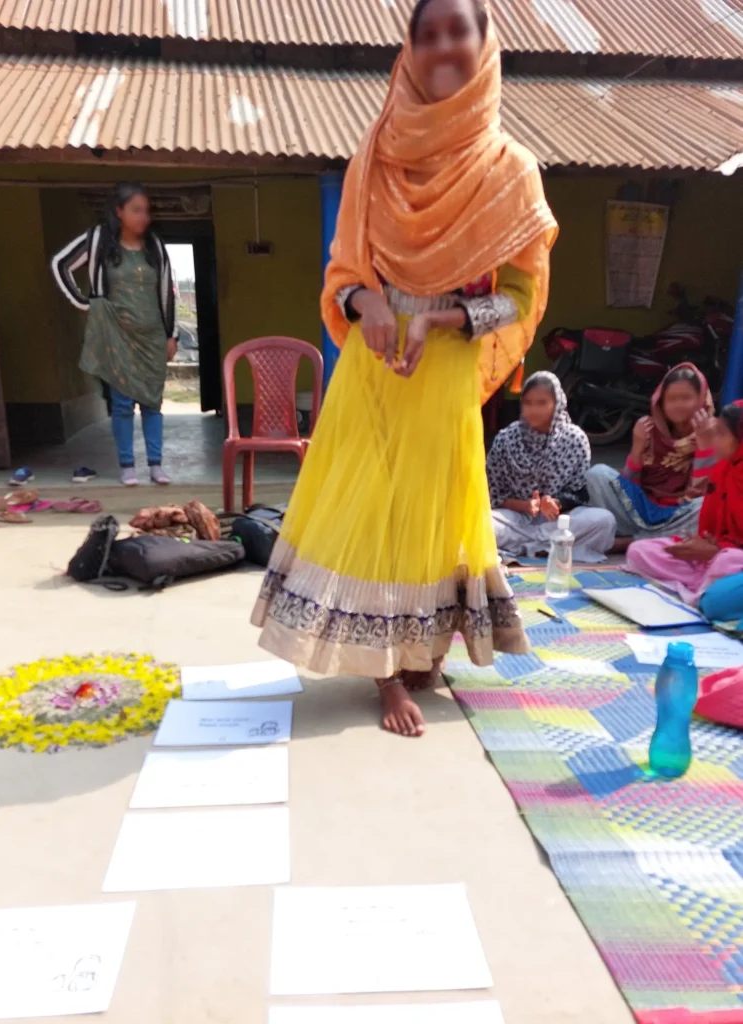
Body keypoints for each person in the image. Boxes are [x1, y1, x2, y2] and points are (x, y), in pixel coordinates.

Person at [251, 0, 557, 738]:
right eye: (427, 34)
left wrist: (442, 317)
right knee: (371, 509)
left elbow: (519, 298)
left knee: (433, 515)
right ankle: (384, 673)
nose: (442, 46)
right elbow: (340, 275)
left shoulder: (510, 170)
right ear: (409, 49)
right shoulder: (375, 156)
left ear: (485, 43)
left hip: (444, 371)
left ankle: (422, 653)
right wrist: (367, 302)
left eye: (458, 30)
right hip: (372, 370)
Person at [51, 182, 177, 487]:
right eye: (136, 210)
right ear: (119, 211)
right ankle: (127, 466)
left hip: (151, 336)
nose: (143, 217)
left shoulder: (155, 247)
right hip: (116, 334)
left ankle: (156, 466)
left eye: (146, 211)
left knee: (152, 402)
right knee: (122, 404)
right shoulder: (97, 241)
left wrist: (171, 334)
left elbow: (166, 292)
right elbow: (60, 264)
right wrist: (85, 303)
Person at [486, 371, 616, 563]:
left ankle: (521, 547)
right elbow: (492, 494)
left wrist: (556, 503)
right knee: (480, 523)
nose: (533, 410)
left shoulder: (574, 439)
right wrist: (525, 506)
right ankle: (547, 547)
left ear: (558, 404)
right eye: (528, 403)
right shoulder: (506, 439)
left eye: (542, 403)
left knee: (604, 521)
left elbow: (580, 493)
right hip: (515, 519)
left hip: (558, 521)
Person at [626, 401, 743, 606]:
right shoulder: (723, 467)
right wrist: (698, 545)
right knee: (638, 551)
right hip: (710, 558)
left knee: (728, 562)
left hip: (732, 559)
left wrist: (716, 550)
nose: (715, 440)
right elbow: (709, 525)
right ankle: (705, 586)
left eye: (722, 434)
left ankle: (704, 593)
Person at [586, 364, 716, 545]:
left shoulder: (714, 431)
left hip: (682, 512)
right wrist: (637, 447)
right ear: (661, 403)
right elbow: (630, 482)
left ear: (701, 399)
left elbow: (704, 490)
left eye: (686, 398)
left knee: (707, 506)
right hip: (643, 508)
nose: (678, 405)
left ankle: (629, 541)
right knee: (596, 474)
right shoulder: (649, 429)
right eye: (671, 399)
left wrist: (704, 449)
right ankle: (654, 539)